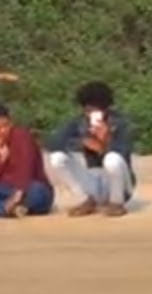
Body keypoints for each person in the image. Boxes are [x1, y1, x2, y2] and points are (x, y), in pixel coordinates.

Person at [45, 81, 137, 217]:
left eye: (96, 110)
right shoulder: (78, 122)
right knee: (57, 158)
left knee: (112, 159)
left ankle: (116, 203)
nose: (91, 114)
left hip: (120, 182)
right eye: (88, 110)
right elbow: (53, 142)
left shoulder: (121, 123)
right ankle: (85, 200)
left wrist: (106, 141)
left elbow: (123, 152)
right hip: (93, 178)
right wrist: (83, 142)